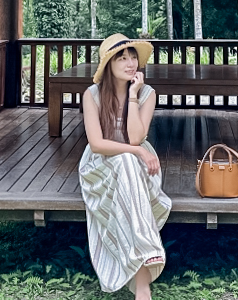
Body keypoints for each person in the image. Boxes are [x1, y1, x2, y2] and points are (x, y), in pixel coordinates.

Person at [79, 33, 172, 299]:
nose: (130, 63)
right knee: (126, 161)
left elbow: (135, 137)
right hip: (101, 166)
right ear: (109, 63)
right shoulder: (92, 95)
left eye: (133, 57)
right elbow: (97, 144)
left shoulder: (147, 94)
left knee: (129, 164)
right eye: (122, 58)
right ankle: (145, 272)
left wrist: (133, 95)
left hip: (137, 164)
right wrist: (135, 152)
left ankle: (141, 270)